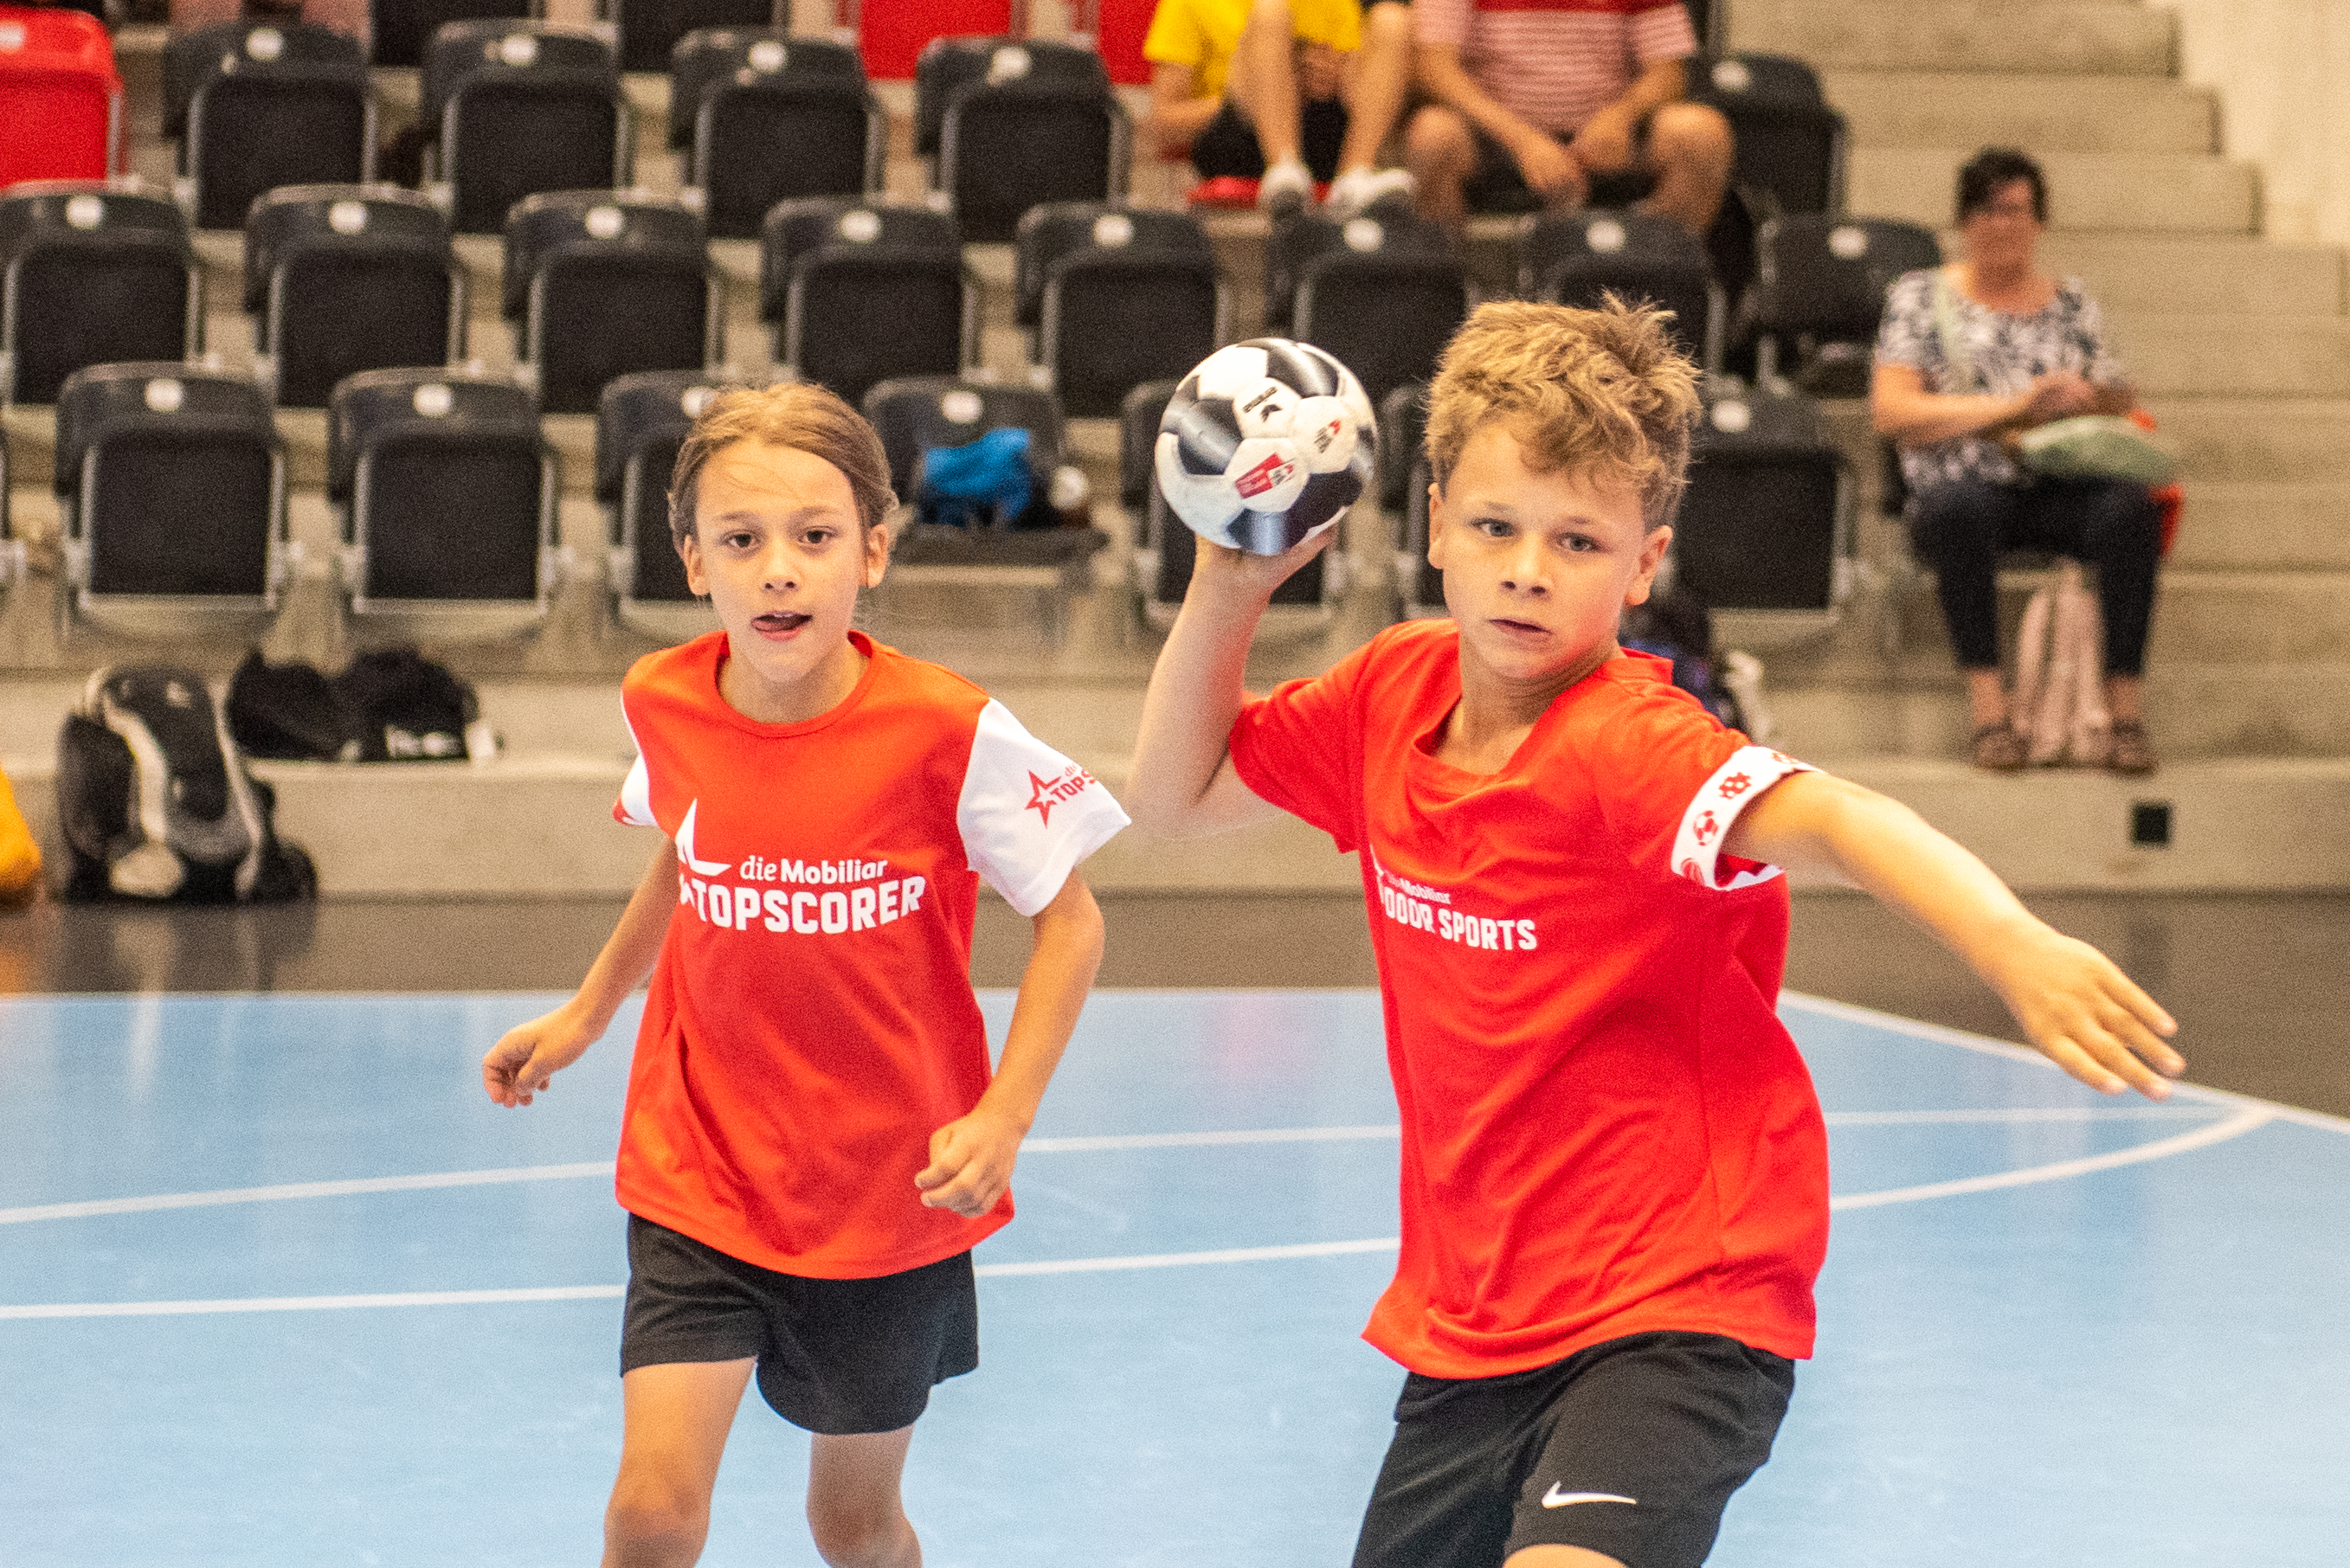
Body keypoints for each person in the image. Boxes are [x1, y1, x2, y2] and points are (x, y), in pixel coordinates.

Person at [1129, 299, 2184, 1568]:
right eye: (1494, 526)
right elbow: (1171, 802)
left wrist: (2012, 944)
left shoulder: (1633, 748)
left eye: (1577, 540)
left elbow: (1841, 822)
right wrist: (1227, 579)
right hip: (1473, 1316)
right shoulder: (1387, 691)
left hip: (1678, 1294)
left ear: (1642, 566)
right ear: (1433, 533)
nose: (1527, 566)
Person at [480, 383, 1124, 1568]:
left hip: (888, 1195)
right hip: (700, 1165)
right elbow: (686, 856)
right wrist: (585, 1013)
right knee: (650, 1510)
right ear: (691, 561)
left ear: (872, 550)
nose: (778, 569)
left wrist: (1002, 1116)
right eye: (741, 540)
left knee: (853, 1525)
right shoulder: (662, 700)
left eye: (814, 537)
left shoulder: (949, 730)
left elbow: (1071, 925)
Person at [1873, 146, 2165, 775]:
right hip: (1961, 485)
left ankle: (2124, 715)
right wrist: (2013, 406)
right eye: (1987, 210)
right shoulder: (1921, 297)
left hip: (2058, 482)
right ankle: (1990, 714)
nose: (2001, 224)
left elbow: (2115, 398)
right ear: (1964, 220)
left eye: (2016, 210)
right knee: (1959, 511)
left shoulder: (2071, 303)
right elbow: (1893, 412)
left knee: (2128, 513)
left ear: (2037, 221)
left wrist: (2088, 399)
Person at [1402, 0, 1733, 237]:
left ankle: (1654, 273)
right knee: (1432, 134)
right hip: (1492, 137)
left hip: (1609, 138)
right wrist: (1524, 141)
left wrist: (1619, 118)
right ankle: (1445, 288)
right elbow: (1435, 70)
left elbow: (1668, 75)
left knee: (1700, 133)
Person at [1144, 0, 1419, 215]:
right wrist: (1262, 87)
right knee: (1270, 12)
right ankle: (1283, 168)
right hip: (1238, 135)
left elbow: (1367, 96)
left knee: (1392, 20)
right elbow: (1163, 125)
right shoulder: (1188, 3)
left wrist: (1335, 77)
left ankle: (1357, 173)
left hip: (1324, 135)